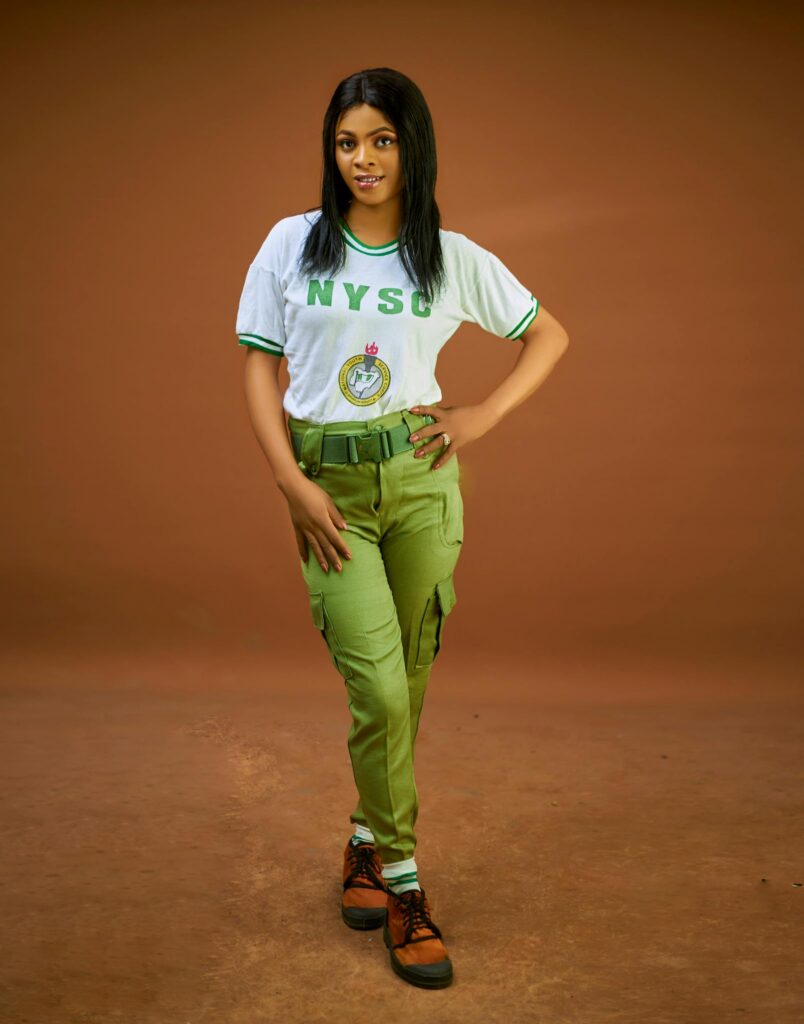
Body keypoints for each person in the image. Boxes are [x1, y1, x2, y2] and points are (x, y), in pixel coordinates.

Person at [236, 67, 569, 989]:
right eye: (348, 142)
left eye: (382, 140)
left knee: (409, 681)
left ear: (411, 146)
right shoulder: (292, 244)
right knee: (379, 689)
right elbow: (259, 370)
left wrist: (479, 417)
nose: (364, 159)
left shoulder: (447, 254)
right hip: (329, 489)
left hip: (423, 487)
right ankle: (409, 887)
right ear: (330, 151)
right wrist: (290, 484)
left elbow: (550, 335)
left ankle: (363, 844)